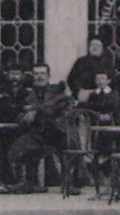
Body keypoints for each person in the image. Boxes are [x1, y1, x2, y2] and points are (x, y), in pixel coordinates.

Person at [9, 63, 73, 192]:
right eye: (36, 73)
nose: (39, 76)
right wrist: (24, 117)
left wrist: (36, 111)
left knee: (66, 144)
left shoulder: (57, 91)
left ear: (48, 76)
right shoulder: (26, 95)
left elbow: (59, 105)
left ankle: (68, 183)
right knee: (20, 145)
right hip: (37, 133)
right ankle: (29, 182)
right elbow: (18, 113)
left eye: (42, 73)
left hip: (56, 131)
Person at [66, 36, 115, 102]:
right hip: (84, 97)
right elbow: (71, 79)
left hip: (102, 97)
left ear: (102, 49)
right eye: (93, 45)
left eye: (98, 45)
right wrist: (78, 92)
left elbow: (112, 80)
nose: (95, 47)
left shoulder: (107, 63)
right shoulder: (81, 61)